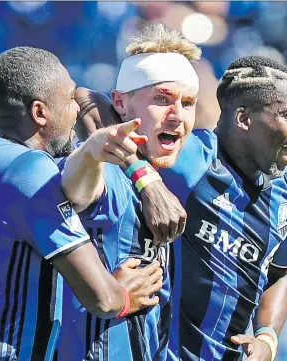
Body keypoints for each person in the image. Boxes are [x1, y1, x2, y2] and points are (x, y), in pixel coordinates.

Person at [68, 55, 287, 361]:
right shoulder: (190, 161)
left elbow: (279, 271)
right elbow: (85, 99)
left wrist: (267, 337)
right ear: (244, 119)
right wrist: (148, 182)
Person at [0, 46, 163, 360]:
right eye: (69, 99)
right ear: (40, 113)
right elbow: (101, 298)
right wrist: (125, 295)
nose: (77, 109)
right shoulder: (28, 171)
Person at [58, 24, 200, 361]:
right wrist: (134, 171)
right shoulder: (106, 171)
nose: (177, 115)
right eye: (162, 99)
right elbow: (77, 185)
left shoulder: (178, 170)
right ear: (120, 102)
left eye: (188, 103)